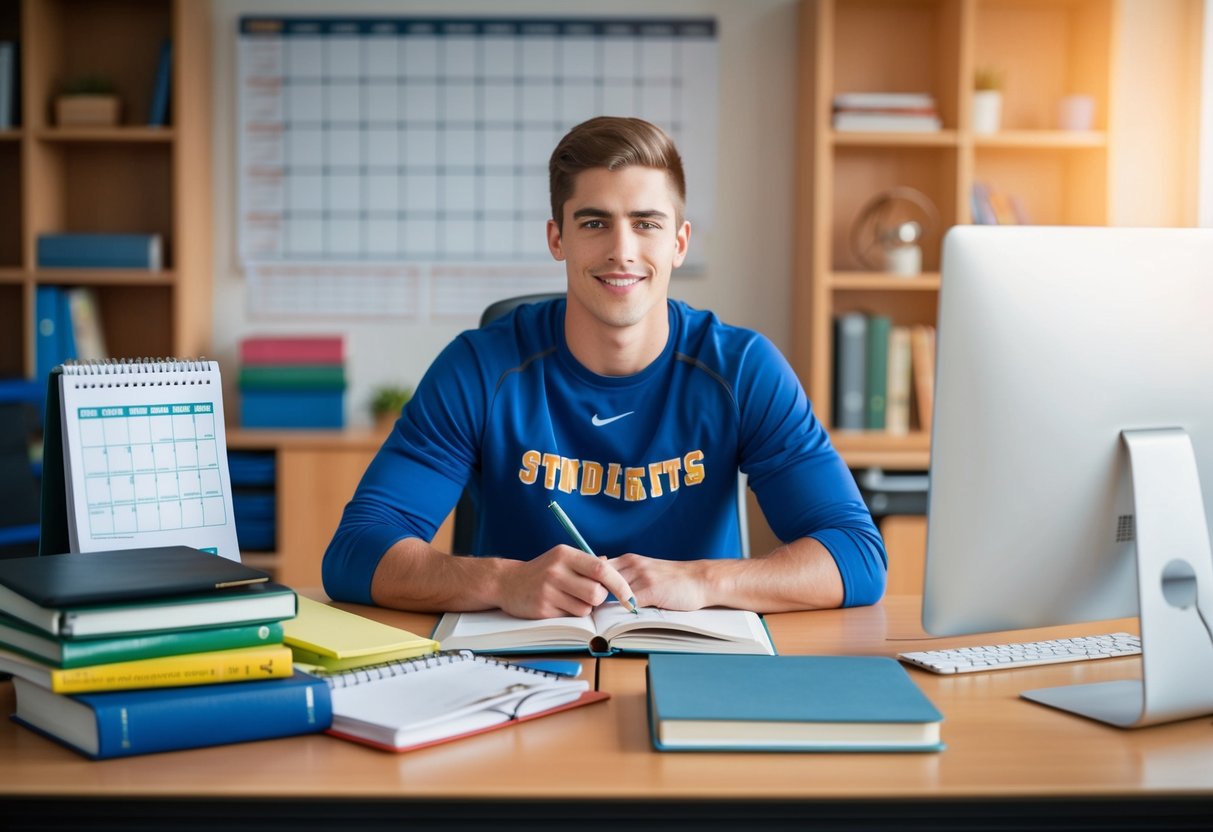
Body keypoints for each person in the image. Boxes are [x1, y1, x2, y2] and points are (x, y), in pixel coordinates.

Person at [322, 116, 886, 619]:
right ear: (557, 238)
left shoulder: (741, 368)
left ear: (679, 243)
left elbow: (856, 555)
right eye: (595, 223)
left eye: (646, 223)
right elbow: (356, 551)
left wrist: (703, 579)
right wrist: (504, 580)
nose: (622, 250)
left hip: (695, 657)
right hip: (518, 668)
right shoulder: (478, 366)